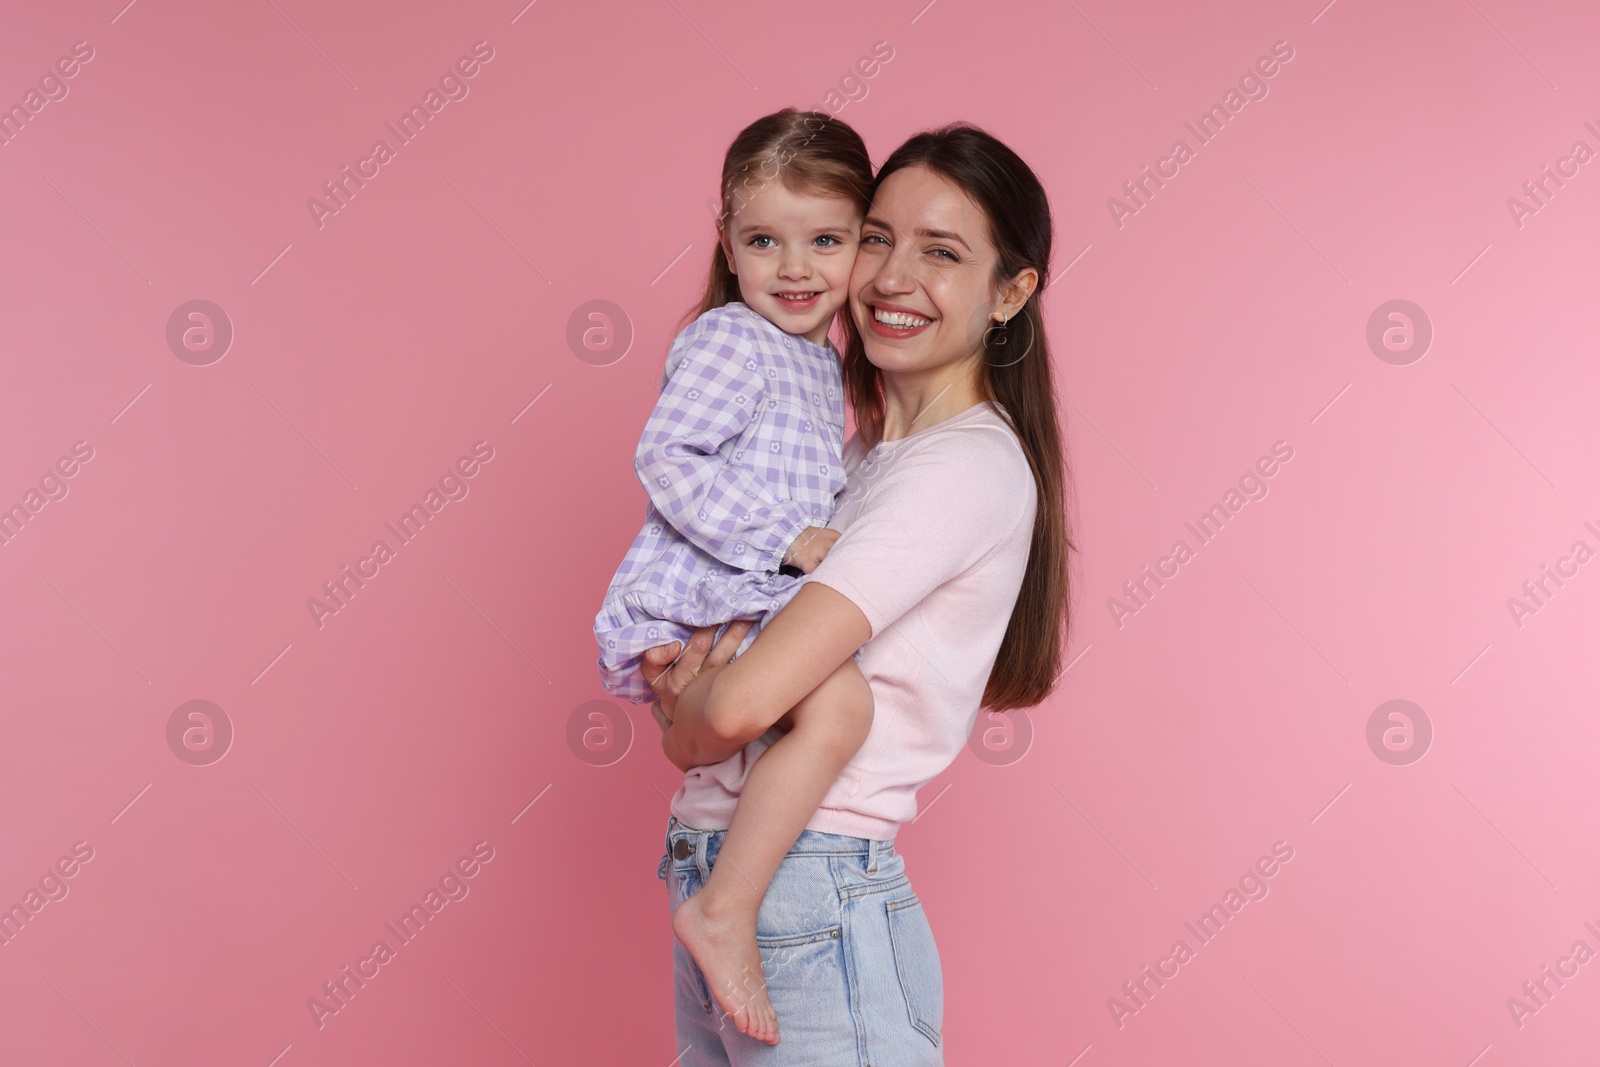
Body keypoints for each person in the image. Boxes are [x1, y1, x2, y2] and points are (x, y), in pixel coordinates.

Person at [646, 121, 1076, 1065]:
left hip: (810, 886)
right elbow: (720, 675)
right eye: (877, 237)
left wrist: (691, 720)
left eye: (943, 253)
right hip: (724, 869)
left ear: (1012, 292)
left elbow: (743, 700)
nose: (889, 277)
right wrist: (701, 706)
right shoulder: (861, 458)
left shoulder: (960, 469)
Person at [593, 108, 880, 1043]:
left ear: (862, 242)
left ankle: (720, 891)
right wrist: (789, 542)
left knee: (771, 734)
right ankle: (724, 910)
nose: (795, 269)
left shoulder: (817, 360)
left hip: (745, 589)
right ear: (727, 242)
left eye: (826, 240)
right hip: (708, 584)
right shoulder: (730, 337)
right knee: (838, 710)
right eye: (765, 241)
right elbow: (671, 458)